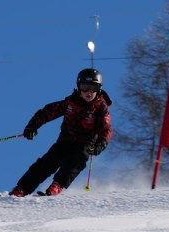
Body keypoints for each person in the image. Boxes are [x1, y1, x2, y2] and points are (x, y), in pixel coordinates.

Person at [9, 68, 112, 197]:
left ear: (99, 89)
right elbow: (49, 111)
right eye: (85, 87)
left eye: (93, 88)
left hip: (85, 143)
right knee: (47, 162)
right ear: (79, 87)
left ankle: (57, 185)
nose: (89, 92)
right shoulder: (70, 103)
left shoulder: (101, 108)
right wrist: (33, 125)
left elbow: (106, 129)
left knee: (76, 161)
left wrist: (100, 144)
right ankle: (22, 188)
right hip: (65, 140)